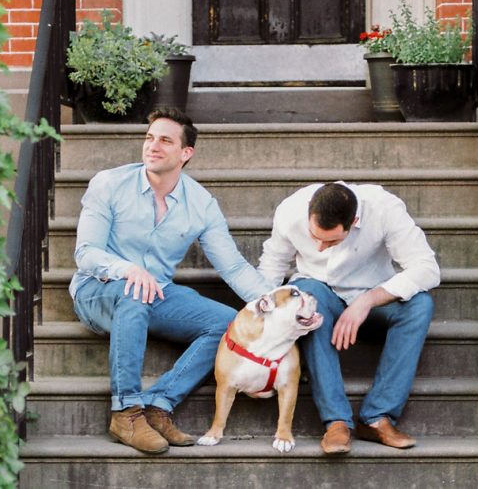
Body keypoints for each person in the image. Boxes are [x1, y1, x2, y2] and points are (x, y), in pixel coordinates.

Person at [70, 107, 272, 455]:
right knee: (133, 294)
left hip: (156, 294)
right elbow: (86, 253)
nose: (153, 146)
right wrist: (127, 269)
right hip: (97, 290)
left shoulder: (201, 204)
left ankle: (159, 404)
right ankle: (125, 412)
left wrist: (273, 305)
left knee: (226, 323)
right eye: (149, 138)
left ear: (185, 153)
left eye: (165, 140)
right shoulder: (110, 184)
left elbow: (234, 268)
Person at [257, 182, 439, 455]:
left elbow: (426, 268)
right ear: (309, 211)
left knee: (420, 305)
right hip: (319, 294)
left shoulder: (384, 208)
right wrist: (262, 316)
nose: (319, 247)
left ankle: (378, 417)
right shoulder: (291, 209)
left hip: (371, 299)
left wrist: (367, 300)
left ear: (354, 222)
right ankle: (336, 421)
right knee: (309, 297)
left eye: (330, 241)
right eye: (314, 235)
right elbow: (272, 264)